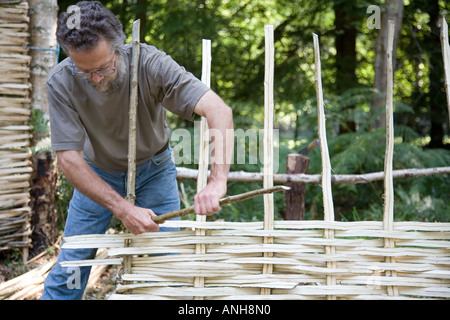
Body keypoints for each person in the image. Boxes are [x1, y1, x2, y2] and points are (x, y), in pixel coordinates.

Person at [41, 1, 233, 300]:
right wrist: (122, 208)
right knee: (71, 267)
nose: (95, 78)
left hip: (154, 171)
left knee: (169, 266)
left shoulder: (149, 63)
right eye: (84, 71)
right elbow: (68, 160)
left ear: (120, 47)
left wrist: (218, 180)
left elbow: (217, 109)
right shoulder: (61, 81)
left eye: (104, 67)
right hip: (96, 175)